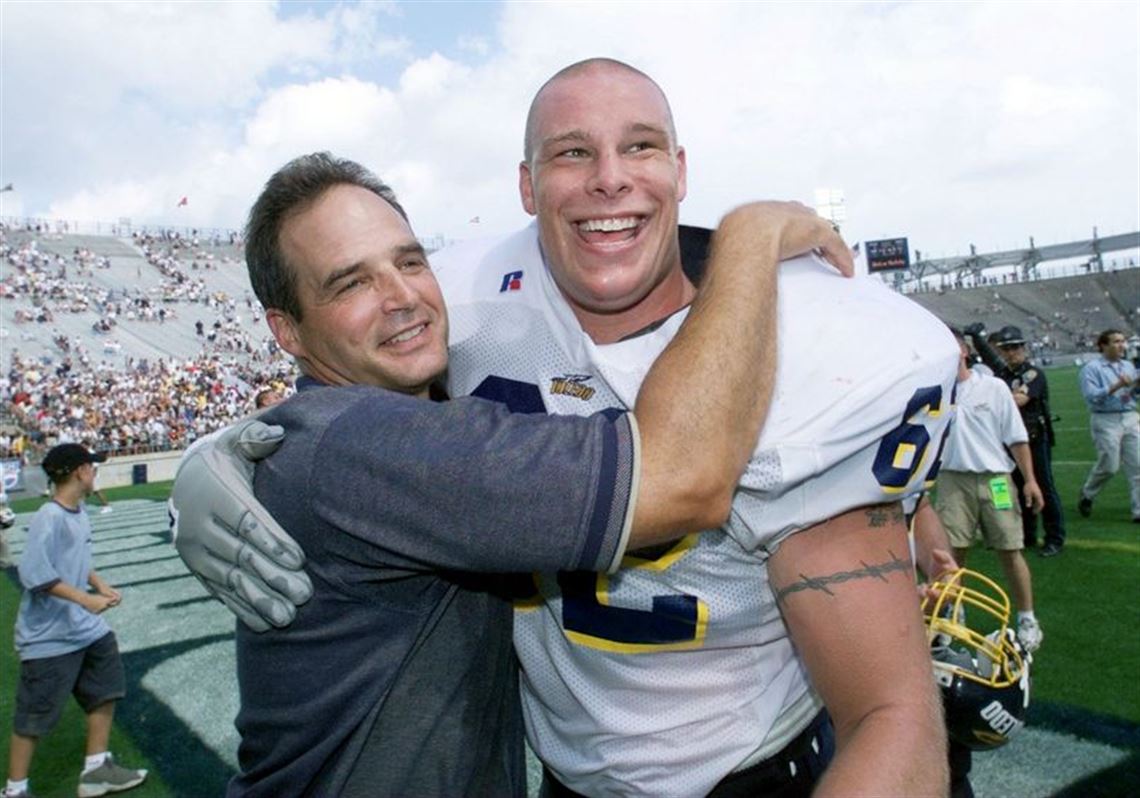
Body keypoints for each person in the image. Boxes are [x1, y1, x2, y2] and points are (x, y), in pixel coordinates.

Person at [175, 58, 958, 796]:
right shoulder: (471, 314)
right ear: (528, 184)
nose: (609, 178)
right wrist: (222, 451)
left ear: (681, 171)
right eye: (572, 153)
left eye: (639, 146)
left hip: (741, 774)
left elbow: (893, 717)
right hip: (561, 778)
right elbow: (675, 474)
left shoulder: (814, 348)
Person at [4, 444, 147, 798]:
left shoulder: (77, 512)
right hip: (48, 634)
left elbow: (78, 559)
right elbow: (35, 573)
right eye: (91, 467)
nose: (94, 473)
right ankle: (15, 789)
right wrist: (86, 599)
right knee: (34, 716)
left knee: (105, 687)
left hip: (83, 628)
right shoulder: (48, 517)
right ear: (80, 472)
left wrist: (99, 584)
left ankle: (97, 769)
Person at [933, 328, 1045, 654]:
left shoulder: (992, 387)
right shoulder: (935, 394)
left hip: (996, 478)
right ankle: (954, 613)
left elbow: (1016, 437)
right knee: (952, 555)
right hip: (953, 482)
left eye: (951, 346)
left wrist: (1031, 480)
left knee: (1010, 549)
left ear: (964, 350)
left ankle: (1026, 618)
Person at [963, 323, 1065, 556]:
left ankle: (1054, 537)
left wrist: (1000, 396)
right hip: (1008, 440)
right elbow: (993, 367)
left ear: (1024, 348)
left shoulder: (1034, 374)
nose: (1011, 352)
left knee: (1043, 487)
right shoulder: (1004, 375)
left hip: (1034, 440)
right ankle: (1027, 535)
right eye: (1006, 348)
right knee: (1016, 489)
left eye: (1015, 347)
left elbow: (1019, 400)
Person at [1077, 328, 1140, 523]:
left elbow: (1134, 395)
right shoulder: (1091, 369)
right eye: (1116, 342)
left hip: (1129, 416)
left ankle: (1138, 510)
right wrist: (1116, 386)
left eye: (1123, 341)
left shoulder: (1128, 366)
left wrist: (1136, 388)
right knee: (1110, 465)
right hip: (1106, 419)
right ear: (1103, 345)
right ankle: (1087, 493)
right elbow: (1091, 396)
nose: (1122, 345)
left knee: (1138, 465)